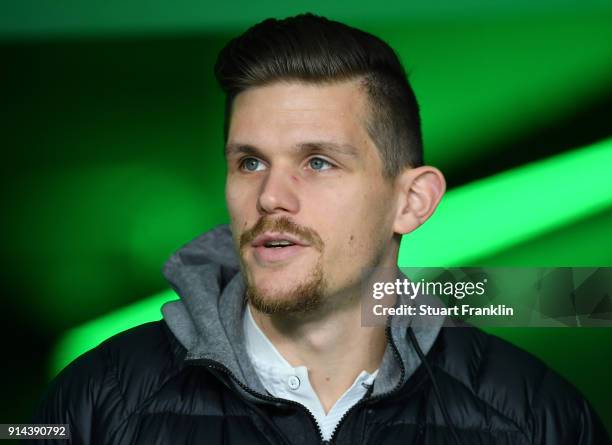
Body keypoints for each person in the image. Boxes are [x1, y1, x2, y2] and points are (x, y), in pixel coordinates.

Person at [32, 13, 610, 444]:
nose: (270, 197)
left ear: (412, 201)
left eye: (318, 163)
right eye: (250, 162)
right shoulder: (94, 402)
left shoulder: (539, 416)